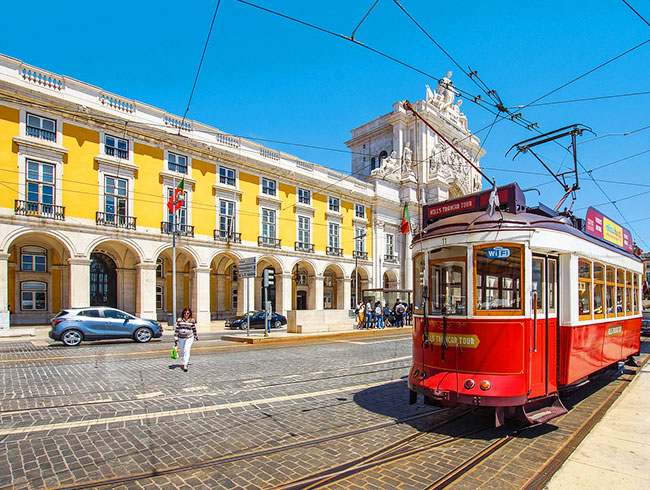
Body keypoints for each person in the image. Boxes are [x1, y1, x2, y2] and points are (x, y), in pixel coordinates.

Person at [174, 307, 198, 372]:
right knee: (183, 350)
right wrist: (175, 338)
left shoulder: (192, 320)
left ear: (189, 314)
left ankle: (185, 364)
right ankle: (186, 361)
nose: (186, 314)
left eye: (187, 313)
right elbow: (177, 329)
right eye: (185, 313)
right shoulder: (179, 320)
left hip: (189, 337)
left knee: (186, 350)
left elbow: (194, 329)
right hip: (181, 337)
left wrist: (196, 336)